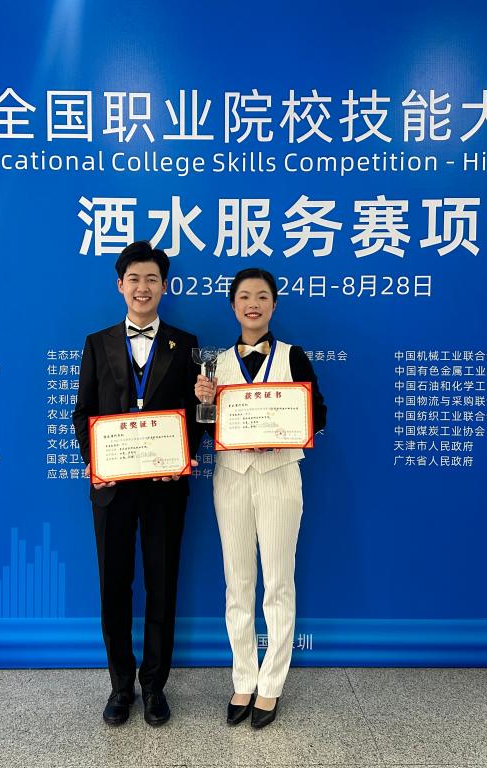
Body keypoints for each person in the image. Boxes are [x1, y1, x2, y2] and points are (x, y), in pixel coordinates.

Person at [72, 241, 201, 727]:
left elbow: (196, 415)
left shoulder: (185, 343)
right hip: (113, 489)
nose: (142, 288)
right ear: (120, 285)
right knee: (115, 586)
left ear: (164, 286)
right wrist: (99, 462)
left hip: (165, 486)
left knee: (162, 584)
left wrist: (182, 456)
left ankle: (154, 686)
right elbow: (83, 414)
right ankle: (120, 686)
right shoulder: (97, 342)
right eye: (134, 279)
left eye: (152, 279)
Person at [194, 267, 327, 729]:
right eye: (245, 296)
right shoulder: (214, 364)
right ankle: (243, 678)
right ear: (233, 305)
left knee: (278, 583)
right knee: (237, 582)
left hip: (279, 477)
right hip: (231, 478)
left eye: (262, 296)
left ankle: (271, 685)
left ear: (274, 305)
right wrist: (204, 402)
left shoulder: (293, 356)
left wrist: (281, 429)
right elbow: (206, 429)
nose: (253, 304)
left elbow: (319, 414)